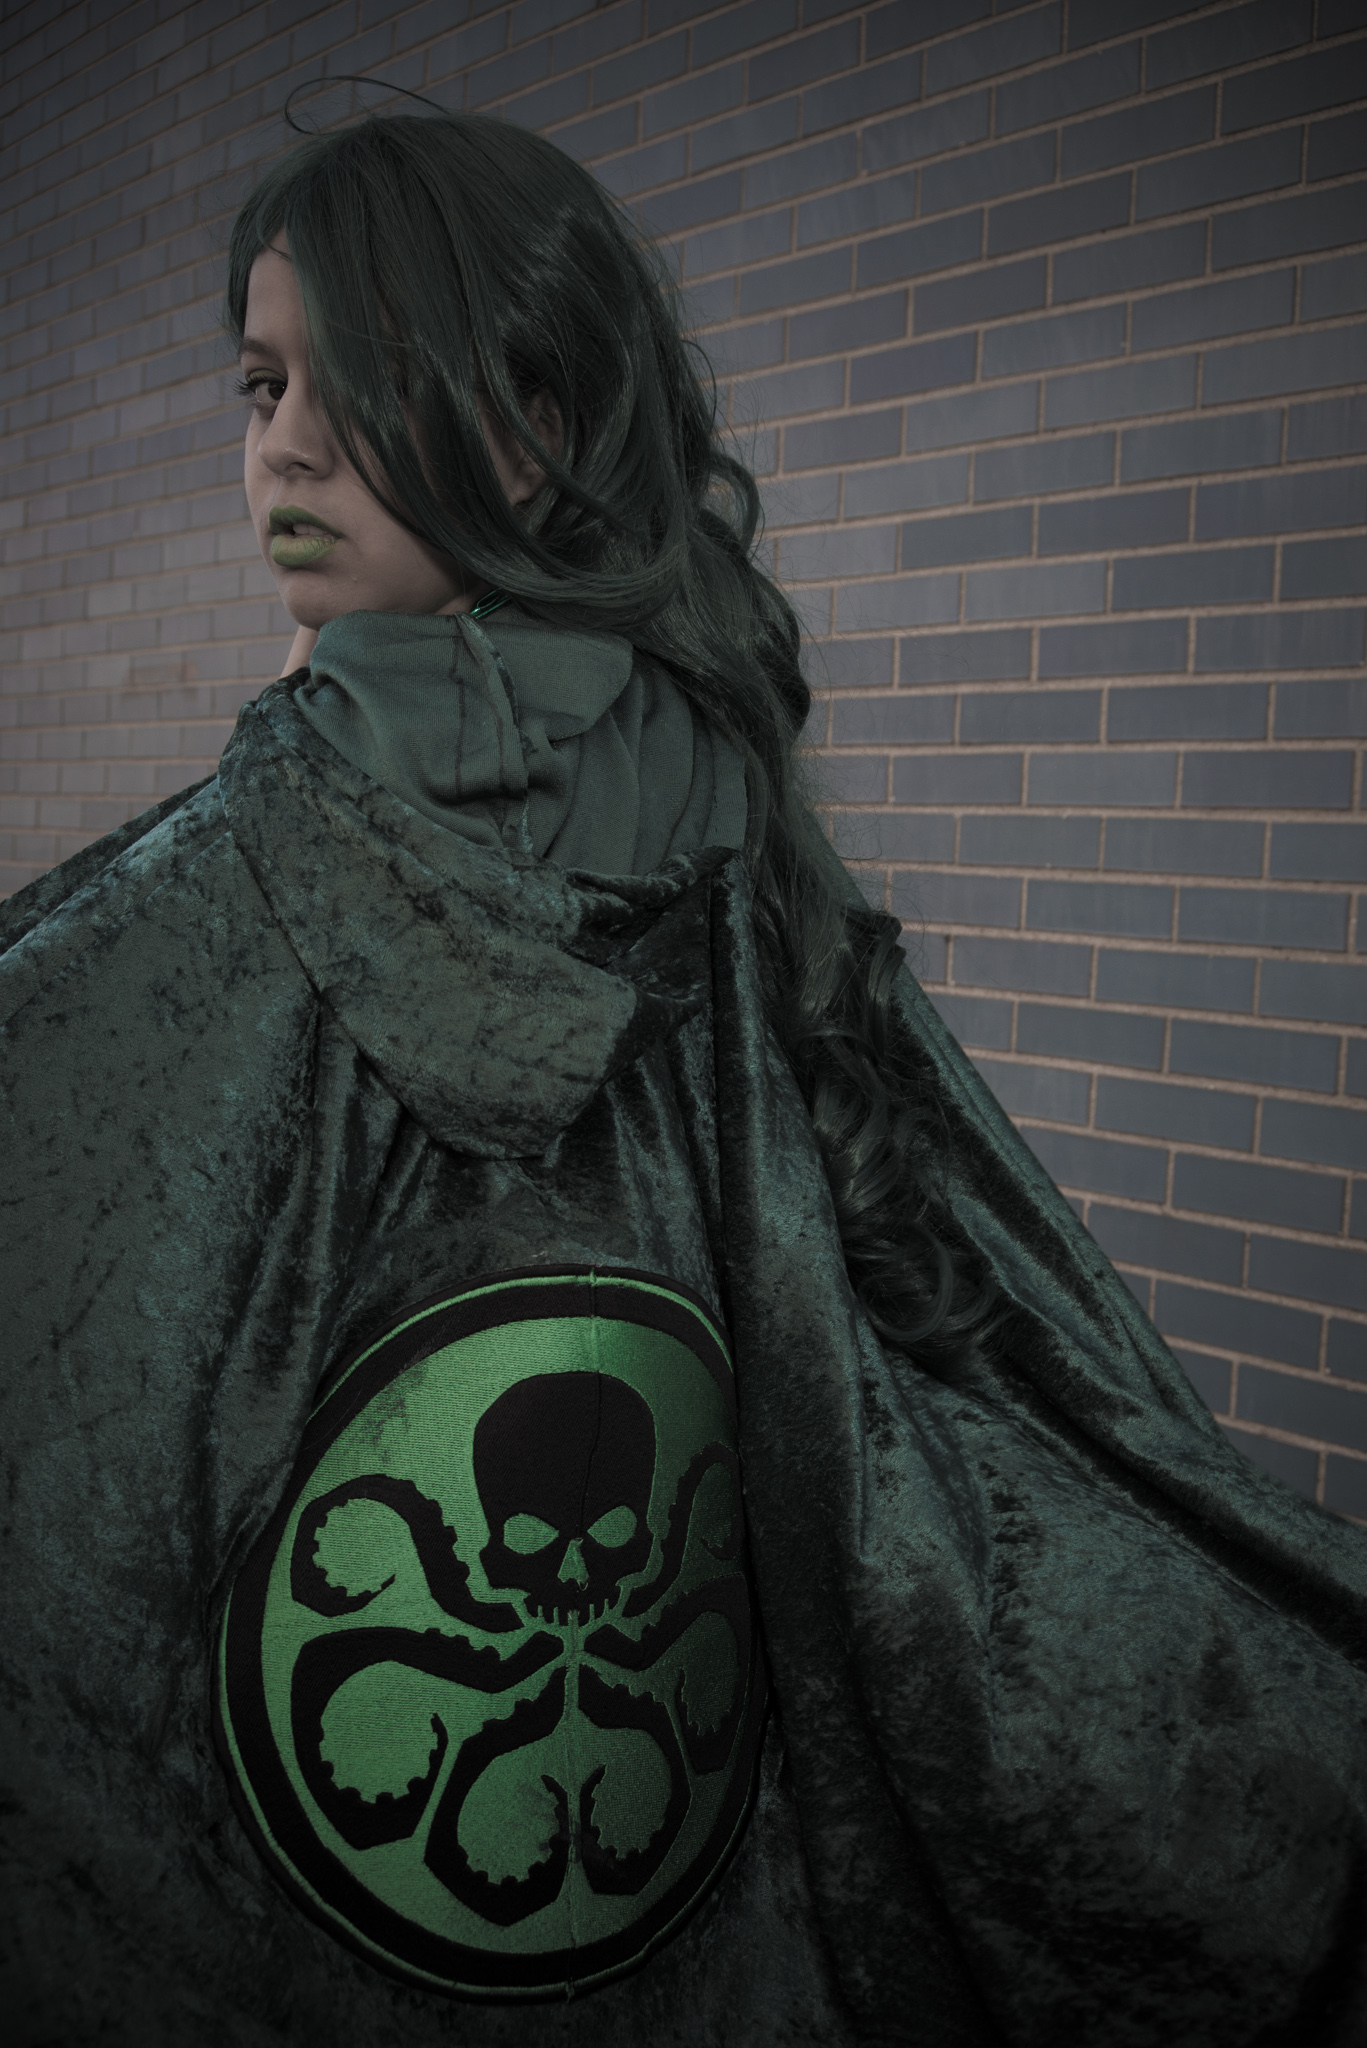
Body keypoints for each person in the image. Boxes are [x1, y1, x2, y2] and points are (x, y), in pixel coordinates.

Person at [3, 109, 1367, 2048]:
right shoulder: (695, 853)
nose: (276, 449)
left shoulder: (631, 895)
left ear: (534, 428)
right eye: (258, 383)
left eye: (340, 377)